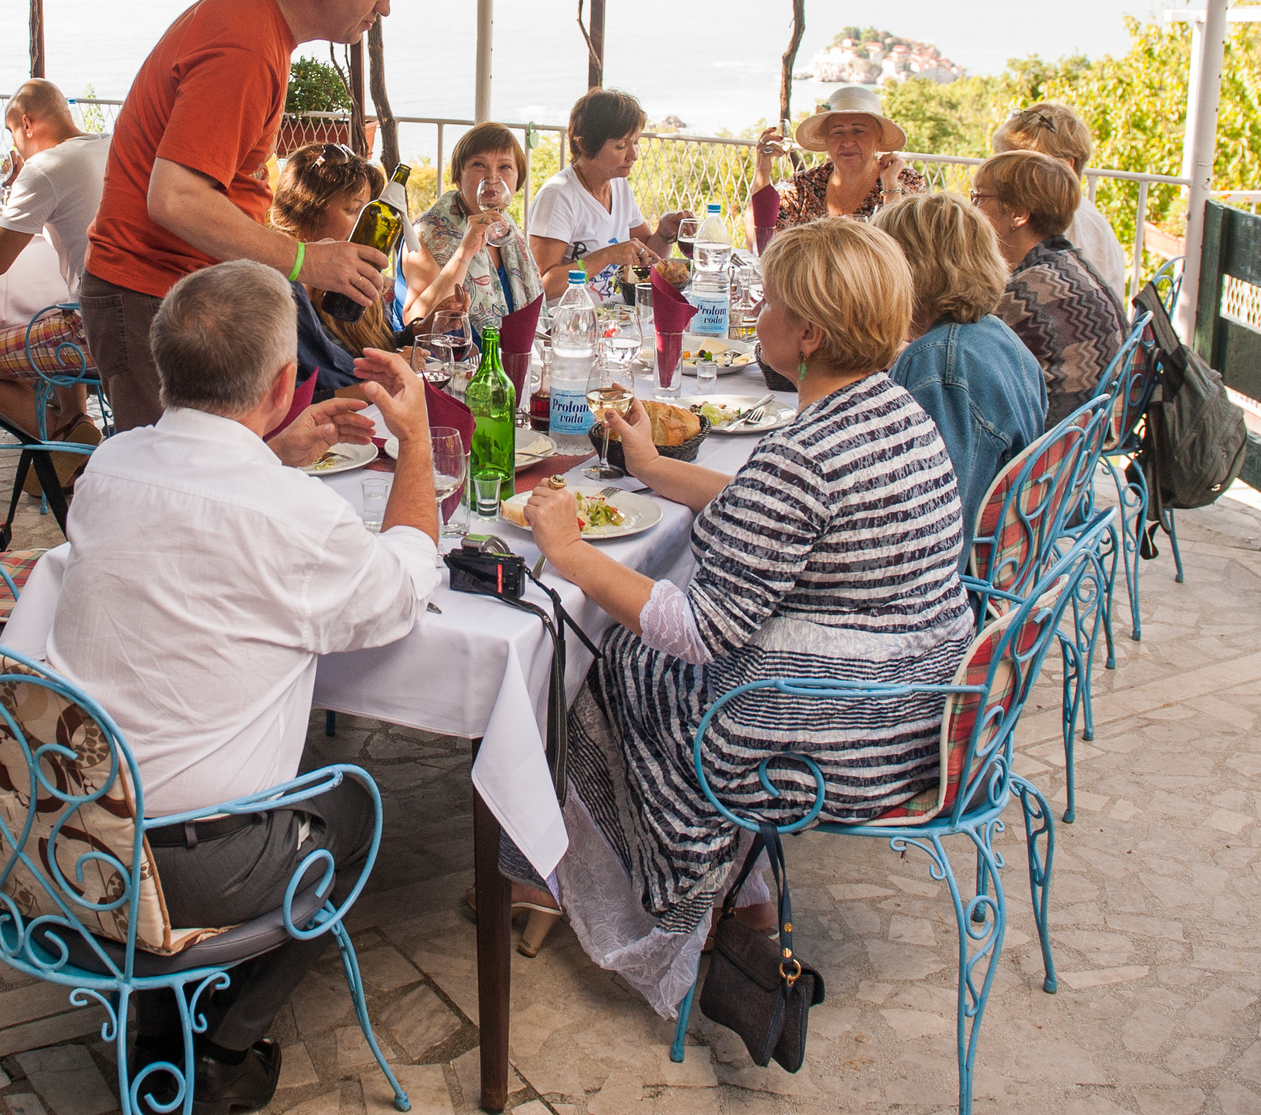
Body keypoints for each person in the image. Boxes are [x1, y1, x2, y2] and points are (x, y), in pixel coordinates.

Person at [519, 218, 972, 1014]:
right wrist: (655, 468)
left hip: (846, 737)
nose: (754, 309)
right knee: (626, 650)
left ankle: (660, 896)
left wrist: (569, 553)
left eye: (770, 302)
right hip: (918, 708)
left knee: (604, 655)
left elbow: (699, 628)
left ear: (809, 334)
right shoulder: (890, 412)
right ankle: (732, 890)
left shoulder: (803, 455)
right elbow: (779, 516)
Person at [45, 261, 441, 1110]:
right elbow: (404, 587)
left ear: (163, 368)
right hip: (193, 865)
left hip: (64, 833)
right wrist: (416, 443)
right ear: (284, 383)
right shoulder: (290, 514)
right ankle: (223, 1047)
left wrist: (272, 450)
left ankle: (157, 1028)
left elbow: (198, 512)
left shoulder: (109, 466)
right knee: (360, 812)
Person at [82, 0, 406, 431]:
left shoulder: (255, 24)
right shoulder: (247, 45)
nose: (386, 5)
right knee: (177, 496)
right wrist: (305, 262)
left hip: (181, 295)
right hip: (151, 296)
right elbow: (175, 199)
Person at [0, 80, 110, 436]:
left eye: (12, 131)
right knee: (49, 309)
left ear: (28, 124)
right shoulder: (110, 145)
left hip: (93, 332)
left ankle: (61, 442)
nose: (13, 144)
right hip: (140, 316)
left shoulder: (46, 166)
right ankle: (77, 421)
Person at [875, 191, 1048, 539]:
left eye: (880, 263)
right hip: (1013, 553)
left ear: (913, 270)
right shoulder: (995, 333)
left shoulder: (937, 363)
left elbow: (929, 515)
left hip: (956, 580)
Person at [976, 150, 1127, 426]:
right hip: (1078, 449)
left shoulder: (1023, 296)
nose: (972, 209)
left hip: (1034, 458)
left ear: (1019, 213)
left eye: (980, 197)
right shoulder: (1075, 266)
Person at [271, 142, 405, 398]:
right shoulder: (274, 295)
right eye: (353, 211)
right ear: (308, 211)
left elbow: (370, 350)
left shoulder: (356, 279)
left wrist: (414, 336)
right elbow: (283, 405)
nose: (368, 224)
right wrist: (374, 389)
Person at [527, 89, 686, 297]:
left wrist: (665, 233)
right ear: (584, 145)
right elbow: (542, 287)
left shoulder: (618, 186)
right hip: (569, 321)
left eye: (635, 142)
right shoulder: (558, 197)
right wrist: (605, 257)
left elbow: (645, 254)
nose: (634, 155)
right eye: (621, 146)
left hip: (615, 319)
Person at [405, 122, 542, 326]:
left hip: (509, 354)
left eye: (504, 167)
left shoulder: (507, 231)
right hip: (453, 354)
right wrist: (464, 253)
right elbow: (414, 321)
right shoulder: (427, 232)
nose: (492, 178)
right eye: (479, 165)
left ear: (518, 179)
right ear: (458, 177)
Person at [991, 101, 1125, 296]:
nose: (1002, 176)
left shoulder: (1072, 225)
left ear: (1066, 168)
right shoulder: (1044, 214)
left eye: (1020, 167)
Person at [754, 84, 926, 231]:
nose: (848, 141)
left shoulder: (905, 181)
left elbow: (903, 246)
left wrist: (890, 185)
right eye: (838, 132)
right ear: (826, 139)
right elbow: (758, 237)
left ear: (878, 138)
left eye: (859, 131)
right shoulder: (807, 185)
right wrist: (762, 169)